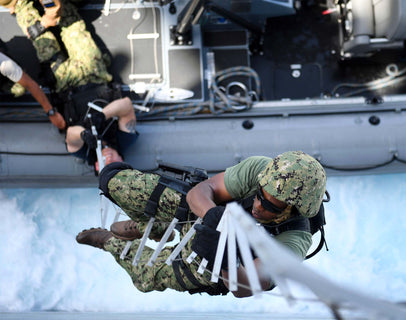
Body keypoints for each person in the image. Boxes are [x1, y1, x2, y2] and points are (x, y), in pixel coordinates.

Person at [76, 151, 327, 297]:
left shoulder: (294, 242)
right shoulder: (261, 169)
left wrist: (225, 255)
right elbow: (201, 191)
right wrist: (214, 217)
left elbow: (243, 287)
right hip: (207, 216)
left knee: (146, 276)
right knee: (115, 181)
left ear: (294, 209)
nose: (258, 206)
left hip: (218, 264)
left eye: (272, 206)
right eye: (259, 194)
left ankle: (111, 244)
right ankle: (151, 226)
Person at [1, 0, 137, 164]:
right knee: (70, 20)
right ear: (122, 160)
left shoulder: (85, 152)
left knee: (38, 34)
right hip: (93, 72)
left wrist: (84, 133)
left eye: (105, 165)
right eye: (115, 164)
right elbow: (126, 105)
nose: (109, 159)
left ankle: (20, 4)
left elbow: (71, 135)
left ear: (96, 167)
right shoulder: (124, 140)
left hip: (64, 81)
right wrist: (102, 116)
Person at [0, 50, 66, 129]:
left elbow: (30, 85)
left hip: (5, 76)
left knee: (20, 89)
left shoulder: (5, 65)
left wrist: (51, 113)